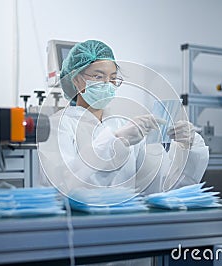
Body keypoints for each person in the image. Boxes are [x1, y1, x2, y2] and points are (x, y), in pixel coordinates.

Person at [38, 40, 209, 200]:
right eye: (98, 77)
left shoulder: (125, 126)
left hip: (124, 221)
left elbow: (162, 188)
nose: (108, 84)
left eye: (113, 78)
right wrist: (114, 142)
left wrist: (187, 149)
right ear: (76, 80)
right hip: (78, 226)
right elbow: (62, 186)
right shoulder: (57, 125)